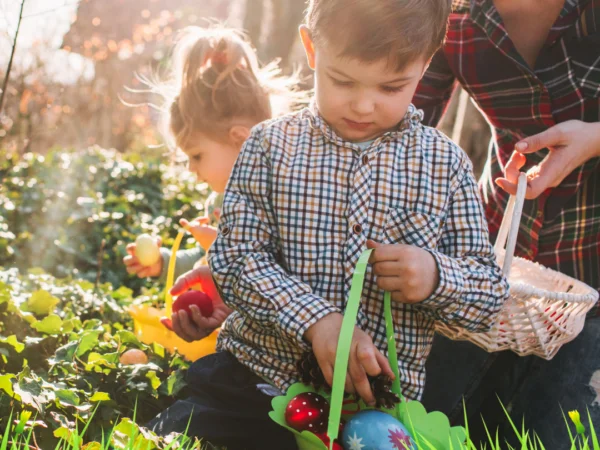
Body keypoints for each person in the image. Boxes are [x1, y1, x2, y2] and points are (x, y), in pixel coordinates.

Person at [146, 0, 510, 448]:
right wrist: (317, 320)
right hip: (255, 381)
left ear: (426, 63)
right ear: (311, 49)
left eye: (391, 87)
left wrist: (436, 276)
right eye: (342, 80)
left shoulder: (445, 165)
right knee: (182, 434)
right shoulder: (269, 147)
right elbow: (235, 259)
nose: (362, 104)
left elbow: (490, 295)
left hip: (372, 413)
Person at [413, 0, 600, 446]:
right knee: (426, 426)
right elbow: (394, 114)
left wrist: (594, 138)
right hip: (496, 269)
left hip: (590, 274)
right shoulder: (450, 14)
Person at [122, 25, 302, 342]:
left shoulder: (289, 197)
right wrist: (164, 264)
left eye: (197, 155)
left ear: (240, 141)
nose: (191, 168)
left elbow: (290, 276)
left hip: (283, 344)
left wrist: (220, 248)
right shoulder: (219, 202)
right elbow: (204, 265)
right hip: (238, 336)